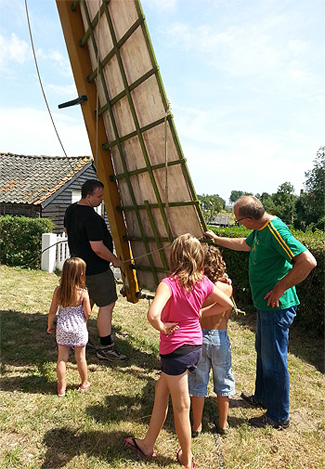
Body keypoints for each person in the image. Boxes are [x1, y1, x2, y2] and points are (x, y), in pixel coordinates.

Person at [205, 196, 317, 429]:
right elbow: (245, 244)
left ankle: (278, 416)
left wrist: (279, 288)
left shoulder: (275, 230)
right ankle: (263, 397)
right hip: (266, 307)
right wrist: (217, 239)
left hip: (277, 308)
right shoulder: (260, 228)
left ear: (248, 219)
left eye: (238, 220)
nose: (238, 223)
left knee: (274, 359)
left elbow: (308, 261)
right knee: (264, 353)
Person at [124, 234, 233, 469]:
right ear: (197, 258)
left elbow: (152, 315)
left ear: (174, 256)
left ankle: (187, 458)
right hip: (194, 347)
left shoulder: (169, 283)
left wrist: (162, 326)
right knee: (160, 389)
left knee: (182, 407)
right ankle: (147, 443)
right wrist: (201, 314)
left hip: (176, 352)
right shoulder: (203, 282)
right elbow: (227, 304)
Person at [64, 179, 124, 362]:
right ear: (88, 196)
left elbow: (67, 231)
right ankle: (105, 347)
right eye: (99, 196)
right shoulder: (92, 218)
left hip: (78, 268)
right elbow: (97, 247)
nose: (101, 199)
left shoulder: (71, 210)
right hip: (96, 270)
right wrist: (114, 260)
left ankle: (77, 340)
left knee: (83, 304)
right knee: (107, 305)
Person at [188, 244, 235, 438]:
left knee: (198, 382)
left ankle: (196, 426)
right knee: (223, 381)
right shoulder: (226, 287)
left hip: (198, 336)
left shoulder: (194, 287)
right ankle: (223, 424)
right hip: (219, 337)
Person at [47, 257, 92, 396]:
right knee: (80, 358)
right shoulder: (83, 293)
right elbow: (88, 312)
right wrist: (84, 322)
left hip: (63, 327)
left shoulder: (58, 291)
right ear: (81, 274)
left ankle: (61, 387)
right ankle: (84, 383)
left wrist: (50, 325)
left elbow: (52, 311)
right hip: (79, 328)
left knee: (62, 358)